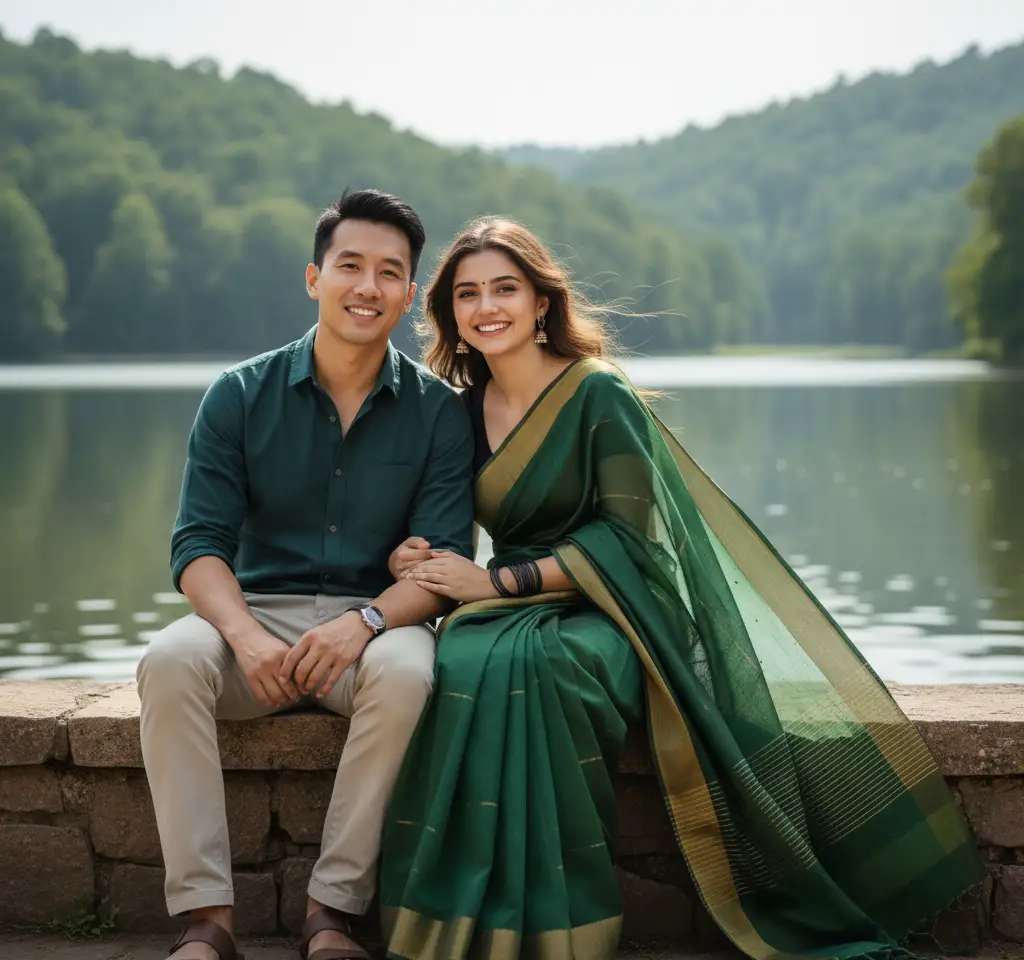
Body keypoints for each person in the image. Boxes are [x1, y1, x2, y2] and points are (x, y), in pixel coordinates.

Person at [378, 217, 986, 960]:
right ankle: (470, 920)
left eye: (505, 287)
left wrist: (497, 580)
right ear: (450, 315)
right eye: (467, 294)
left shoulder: (598, 394)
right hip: (504, 605)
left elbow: (627, 541)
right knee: (465, 663)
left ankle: (564, 930)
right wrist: (417, 555)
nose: (486, 306)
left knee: (552, 666)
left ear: (542, 302)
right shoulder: (460, 410)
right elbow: (446, 526)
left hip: (616, 604)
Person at [135, 189, 475, 960]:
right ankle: (205, 920)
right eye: (349, 265)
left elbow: (445, 565)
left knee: (407, 670)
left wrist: (368, 621)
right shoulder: (239, 394)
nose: (368, 287)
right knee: (168, 662)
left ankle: (332, 912)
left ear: (411, 296)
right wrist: (246, 636)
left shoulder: (439, 413)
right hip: (252, 617)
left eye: (390, 273)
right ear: (314, 278)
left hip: (372, 624)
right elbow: (197, 547)